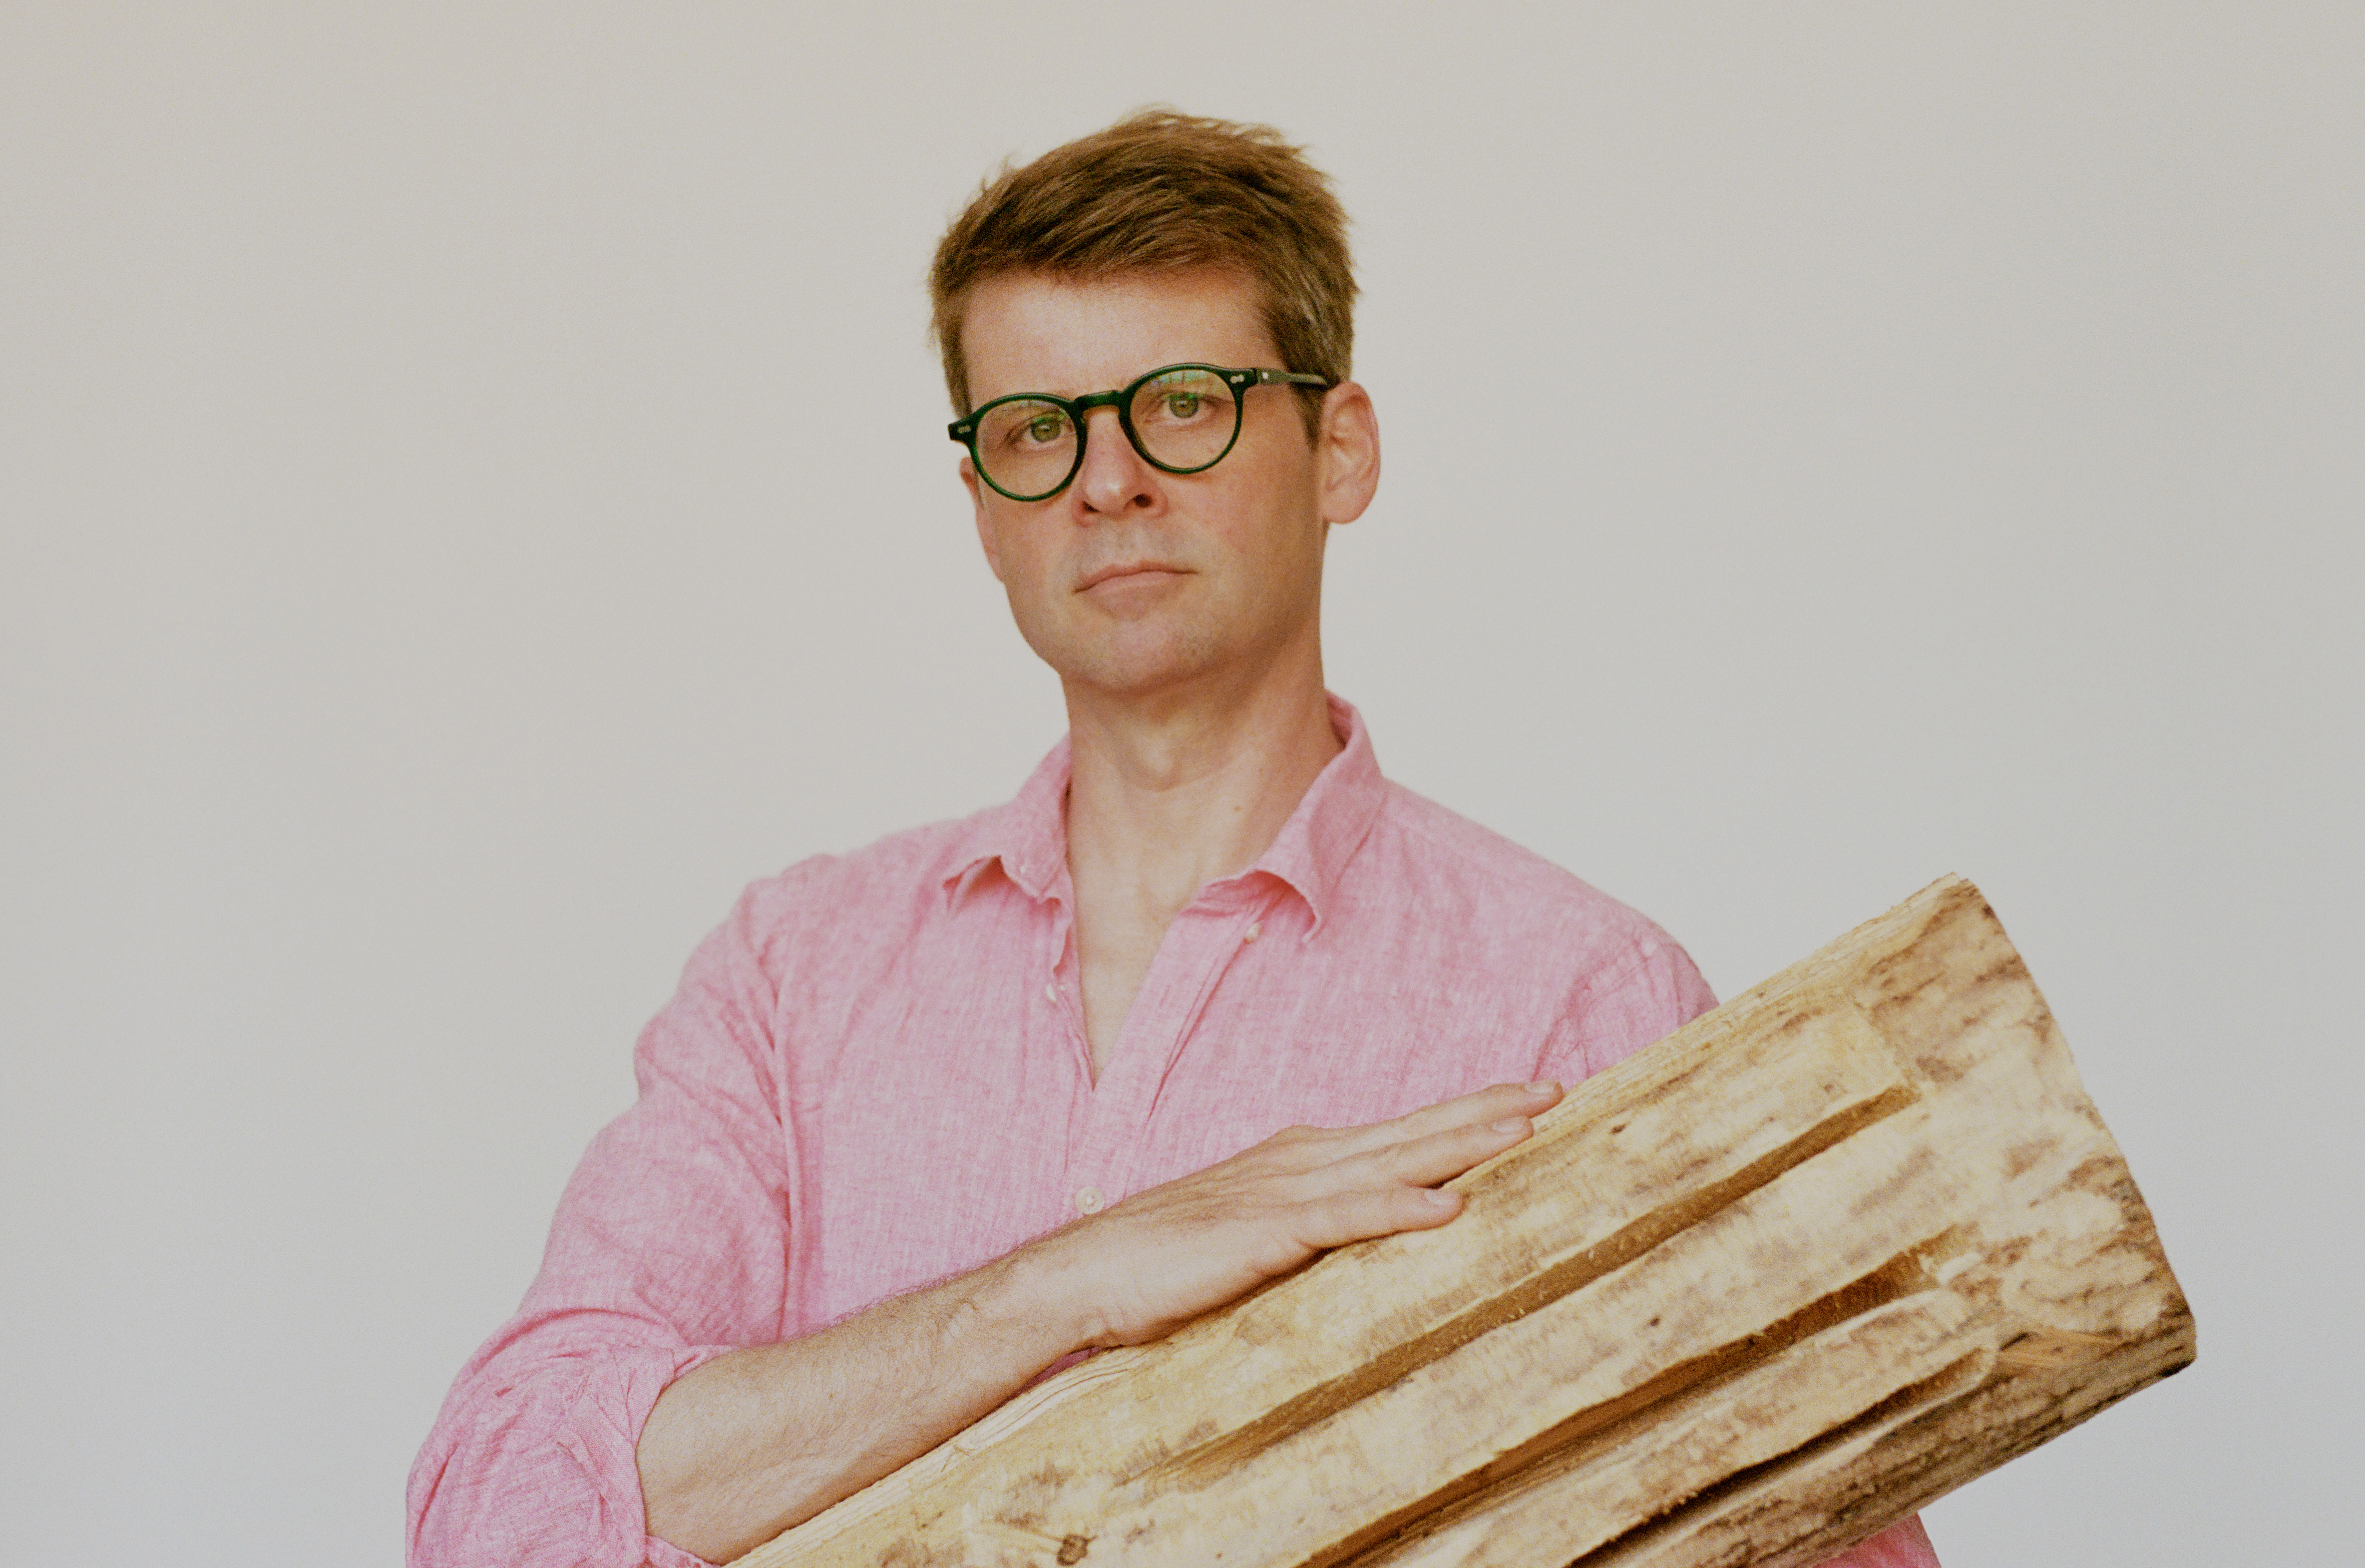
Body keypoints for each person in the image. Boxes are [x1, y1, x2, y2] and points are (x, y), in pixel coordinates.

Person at [408, 111, 1941, 1568]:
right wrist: (1055, 1290)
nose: (1108, 482)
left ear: (1339, 450)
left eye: (1184, 407)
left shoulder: (1576, 1001)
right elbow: (504, 1501)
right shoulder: (791, 976)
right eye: (1035, 431)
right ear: (981, 503)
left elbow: (1811, 1510)